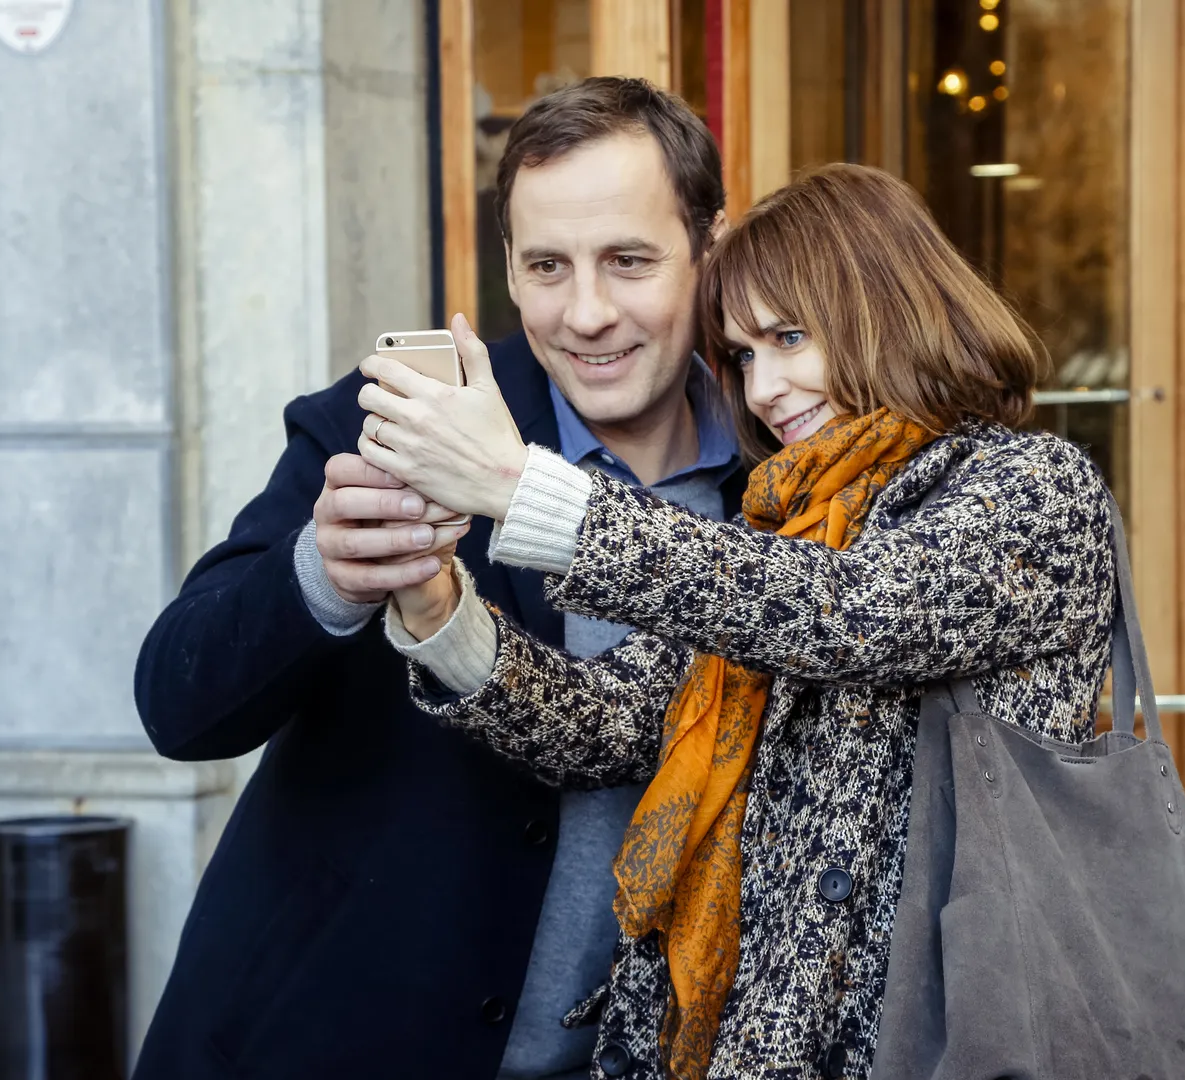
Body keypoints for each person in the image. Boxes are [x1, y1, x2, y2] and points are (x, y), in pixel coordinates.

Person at [358, 163, 1118, 1079]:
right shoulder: (787, 521)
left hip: (931, 1038)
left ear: (886, 305)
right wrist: (435, 602)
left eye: (789, 337)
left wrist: (525, 490)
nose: (762, 389)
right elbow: (608, 723)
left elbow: (852, 614)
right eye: (745, 355)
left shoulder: (1034, 487)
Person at [130, 78, 742, 1079]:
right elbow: (179, 705)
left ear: (707, 249)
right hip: (325, 1047)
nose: (587, 313)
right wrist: (323, 575)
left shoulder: (777, 477)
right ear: (507, 267)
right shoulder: (391, 422)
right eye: (547, 266)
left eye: (628, 261)